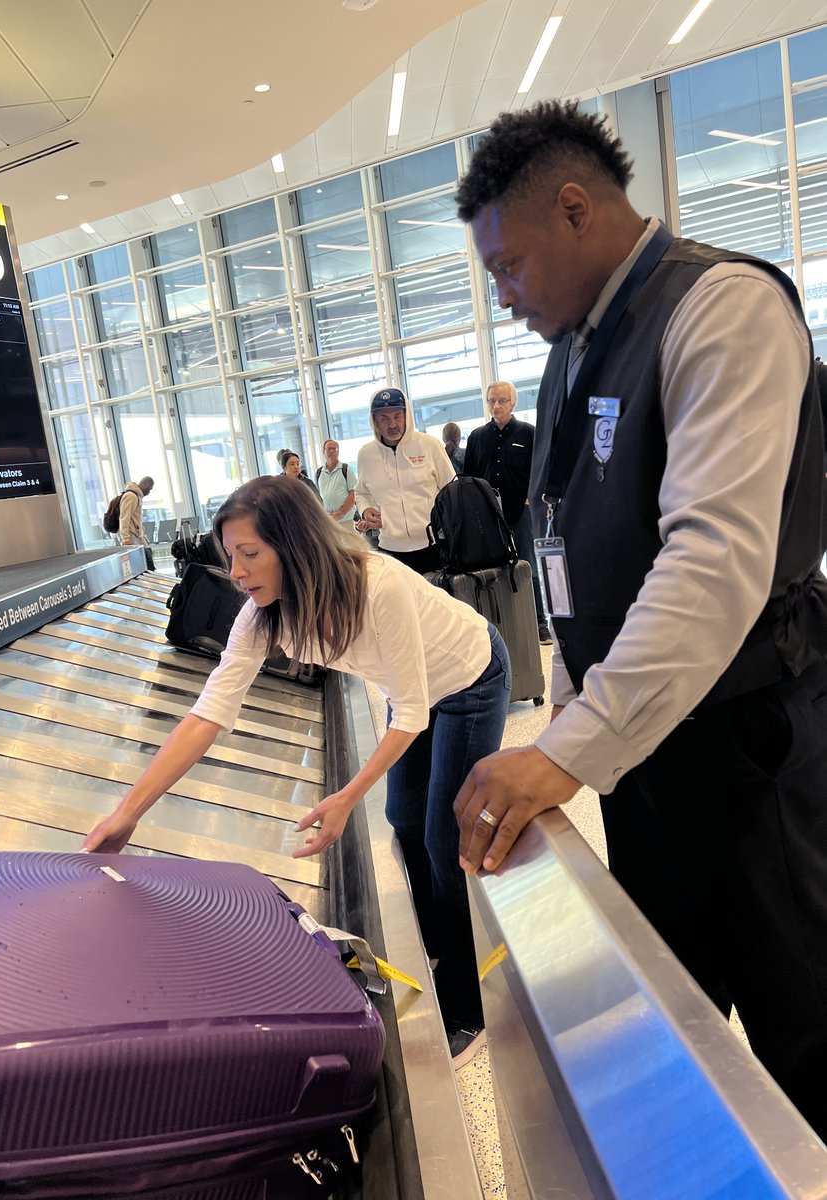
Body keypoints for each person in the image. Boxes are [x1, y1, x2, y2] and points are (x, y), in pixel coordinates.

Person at [451, 98, 827, 1137]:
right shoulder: (574, 347)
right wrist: (575, 728)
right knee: (684, 1017)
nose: (505, 297)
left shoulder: (722, 308)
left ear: (577, 210)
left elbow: (713, 564)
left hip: (753, 746)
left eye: (508, 267)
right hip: (650, 754)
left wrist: (568, 749)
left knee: (805, 1026)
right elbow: (576, 542)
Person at [82, 476, 511, 1064]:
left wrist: (344, 798)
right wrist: (126, 814)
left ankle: (467, 1006)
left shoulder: (373, 582)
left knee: (442, 837)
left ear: (295, 544)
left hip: (469, 679)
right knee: (404, 819)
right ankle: (438, 945)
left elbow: (410, 713)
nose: (235, 570)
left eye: (250, 554)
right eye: (231, 555)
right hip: (411, 693)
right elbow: (209, 713)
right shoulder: (263, 617)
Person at [463, 381, 552, 644]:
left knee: (528, 567)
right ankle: (499, 625)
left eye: (502, 401)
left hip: (521, 513)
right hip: (489, 517)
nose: (496, 406)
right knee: (492, 570)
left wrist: (531, 498)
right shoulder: (478, 437)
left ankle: (539, 623)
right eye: (492, 400)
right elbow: (469, 477)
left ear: (513, 403)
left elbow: (541, 470)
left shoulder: (528, 433)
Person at [355, 387, 456, 573]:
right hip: (391, 550)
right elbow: (361, 492)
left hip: (433, 545)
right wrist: (365, 509)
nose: (392, 424)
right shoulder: (366, 455)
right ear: (375, 421)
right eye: (384, 418)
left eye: (397, 416)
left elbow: (452, 490)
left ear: (406, 415)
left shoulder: (429, 446)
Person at [315, 439, 358, 523]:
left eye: (335, 449)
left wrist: (341, 513)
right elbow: (317, 497)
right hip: (329, 521)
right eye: (329, 449)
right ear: (323, 452)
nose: (332, 451)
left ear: (338, 452)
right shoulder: (318, 473)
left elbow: (354, 494)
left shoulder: (346, 469)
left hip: (347, 519)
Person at [119, 476, 155, 571]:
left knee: (148, 558)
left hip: (138, 537)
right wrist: (125, 539)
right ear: (146, 485)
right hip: (131, 537)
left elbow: (136, 519)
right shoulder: (131, 496)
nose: (149, 492)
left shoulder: (137, 496)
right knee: (139, 566)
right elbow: (124, 518)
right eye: (149, 489)